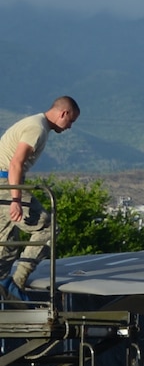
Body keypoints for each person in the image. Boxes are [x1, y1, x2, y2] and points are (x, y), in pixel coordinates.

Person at [1, 95, 79, 294]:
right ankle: (16, 283)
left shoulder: (35, 123)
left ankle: (3, 292)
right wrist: (16, 199)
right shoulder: (37, 128)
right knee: (49, 228)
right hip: (6, 181)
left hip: (4, 182)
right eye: (70, 121)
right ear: (64, 113)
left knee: (7, 246)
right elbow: (16, 163)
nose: (69, 127)